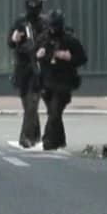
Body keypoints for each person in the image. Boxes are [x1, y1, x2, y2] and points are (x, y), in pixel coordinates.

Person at [33, 10, 87, 152]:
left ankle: (48, 142)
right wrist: (38, 55)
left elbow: (82, 58)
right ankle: (59, 140)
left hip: (64, 82)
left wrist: (69, 58)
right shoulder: (42, 39)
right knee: (53, 113)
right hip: (46, 82)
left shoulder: (69, 40)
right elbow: (33, 56)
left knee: (55, 111)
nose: (53, 29)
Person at [8, 0, 48, 148]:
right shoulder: (21, 22)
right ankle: (36, 136)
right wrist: (15, 38)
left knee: (32, 103)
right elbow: (10, 41)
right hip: (23, 69)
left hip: (38, 70)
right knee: (28, 105)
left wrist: (44, 50)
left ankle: (25, 138)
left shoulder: (45, 23)